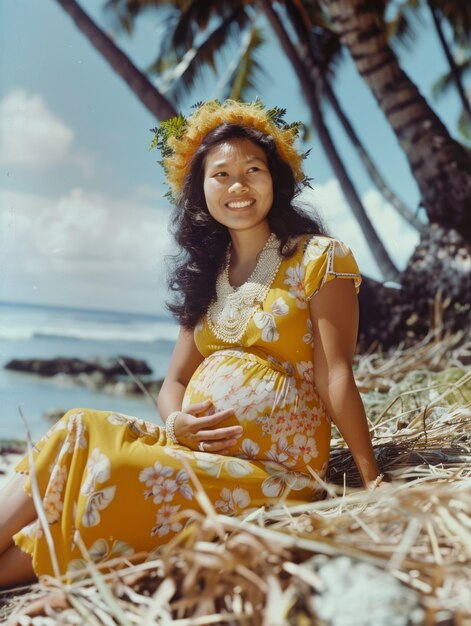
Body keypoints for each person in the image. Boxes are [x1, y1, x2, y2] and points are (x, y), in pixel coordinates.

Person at [0, 100, 380, 588]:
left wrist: (370, 481)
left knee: (114, 469)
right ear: (201, 191)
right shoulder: (207, 277)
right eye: (220, 174)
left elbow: (335, 374)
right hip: (198, 455)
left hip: (273, 473)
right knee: (76, 427)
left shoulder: (319, 258)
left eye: (253, 170)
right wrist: (176, 422)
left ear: (276, 180)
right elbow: (173, 380)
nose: (237, 185)